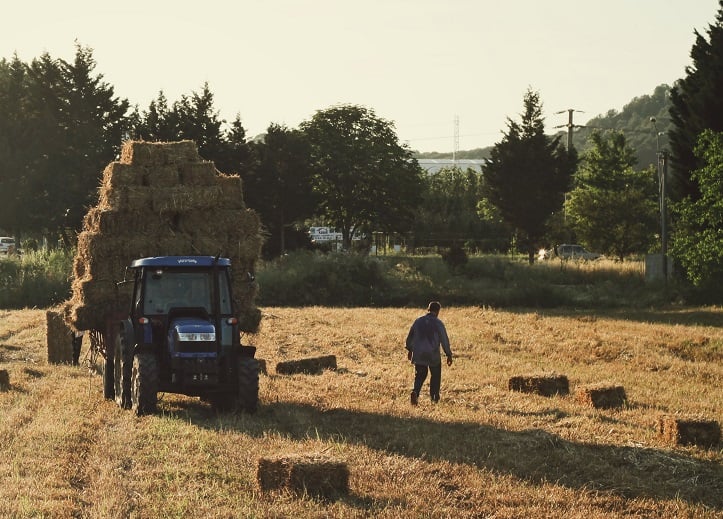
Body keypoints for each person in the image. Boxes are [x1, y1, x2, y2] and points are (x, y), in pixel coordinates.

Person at [405, 301, 453, 405]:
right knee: (435, 375)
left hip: (419, 354)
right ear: (438, 311)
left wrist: (410, 349)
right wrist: (448, 354)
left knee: (420, 375)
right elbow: (444, 340)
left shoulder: (418, 321)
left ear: (428, 309)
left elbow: (410, 337)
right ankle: (434, 398)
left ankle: (415, 392)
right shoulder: (438, 323)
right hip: (433, 355)